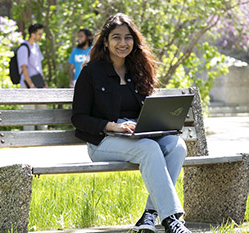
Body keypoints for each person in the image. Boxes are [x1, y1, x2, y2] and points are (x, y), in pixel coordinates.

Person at [71, 13, 191, 233]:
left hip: (137, 136)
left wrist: (160, 122)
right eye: (116, 37)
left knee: (177, 146)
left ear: (134, 41)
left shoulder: (138, 70)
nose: (123, 43)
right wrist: (113, 126)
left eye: (128, 37)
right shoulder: (91, 72)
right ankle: (171, 218)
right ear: (105, 42)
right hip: (103, 141)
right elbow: (78, 118)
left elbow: (146, 112)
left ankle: (149, 215)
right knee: (149, 148)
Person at [17, 23, 47, 130]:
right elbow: (24, 68)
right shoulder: (24, 48)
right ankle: (28, 140)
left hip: (39, 83)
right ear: (32, 34)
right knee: (30, 113)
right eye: (39, 34)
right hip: (29, 84)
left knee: (42, 112)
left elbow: (38, 67)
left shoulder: (36, 47)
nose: (41, 36)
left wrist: (44, 84)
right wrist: (31, 86)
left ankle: (43, 139)